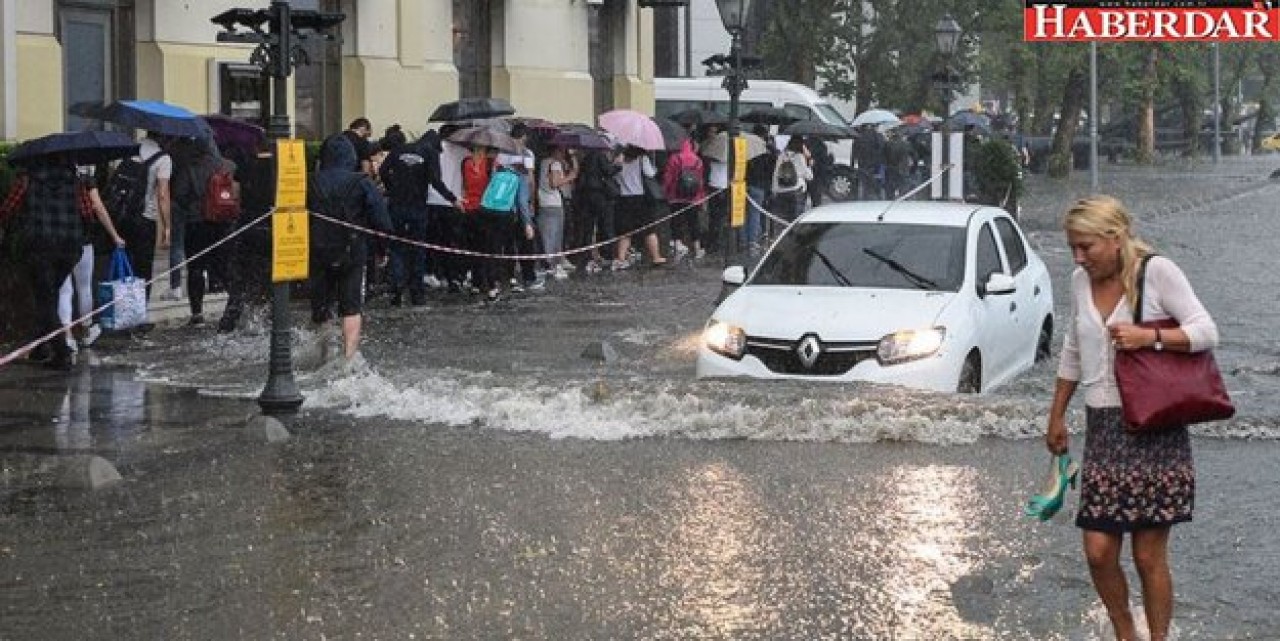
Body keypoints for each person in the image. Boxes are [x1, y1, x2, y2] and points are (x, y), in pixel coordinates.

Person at [1045, 195, 1219, 641]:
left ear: (1116, 238)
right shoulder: (1079, 281)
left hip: (1153, 426)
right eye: (1072, 248)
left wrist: (1149, 337)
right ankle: (1127, 633)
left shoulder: (1157, 271)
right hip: (1103, 430)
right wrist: (1057, 414)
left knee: (1147, 556)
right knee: (1099, 550)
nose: (1078, 257)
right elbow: (1071, 346)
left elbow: (1205, 330)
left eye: (1086, 247)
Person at [0, 154, 93, 369]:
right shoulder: (75, 182)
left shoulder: (26, 180)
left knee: (45, 299)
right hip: (69, 249)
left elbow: (7, 210)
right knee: (48, 296)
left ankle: (61, 352)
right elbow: (88, 213)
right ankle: (39, 348)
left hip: (38, 247)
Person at [308, 134, 392, 360]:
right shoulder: (361, 181)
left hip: (317, 250)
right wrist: (381, 249)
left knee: (321, 305)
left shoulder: (310, 181)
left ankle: (323, 355)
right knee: (351, 305)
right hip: (352, 250)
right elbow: (382, 221)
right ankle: (348, 357)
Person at [612, 145, 666, 270]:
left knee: (625, 231)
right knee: (649, 229)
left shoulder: (619, 159)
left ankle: (621, 258)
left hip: (623, 198)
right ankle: (656, 256)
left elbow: (614, 175)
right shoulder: (642, 159)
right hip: (640, 198)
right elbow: (651, 174)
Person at [537, 144, 578, 280]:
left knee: (547, 234)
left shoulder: (543, 162)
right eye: (562, 151)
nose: (563, 154)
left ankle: (551, 263)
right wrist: (570, 177)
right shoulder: (554, 164)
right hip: (553, 202)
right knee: (555, 234)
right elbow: (554, 183)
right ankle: (552, 265)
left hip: (543, 201)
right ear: (556, 151)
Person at [662, 137, 705, 264]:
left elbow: (668, 178)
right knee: (694, 222)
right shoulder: (698, 160)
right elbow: (700, 181)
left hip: (676, 196)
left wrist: (666, 192)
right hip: (693, 197)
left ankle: (678, 245)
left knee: (676, 221)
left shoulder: (674, 158)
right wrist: (701, 197)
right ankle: (697, 248)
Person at [771, 136, 813, 223]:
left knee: (782, 218)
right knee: (795, 220)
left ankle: (783, 234)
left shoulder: (781, 155)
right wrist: (809, 164)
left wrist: (774, 189)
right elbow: (809, 176)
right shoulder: (800, 156)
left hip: (781, 190)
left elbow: (776, 173)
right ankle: (794, 235)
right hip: (796, 191)